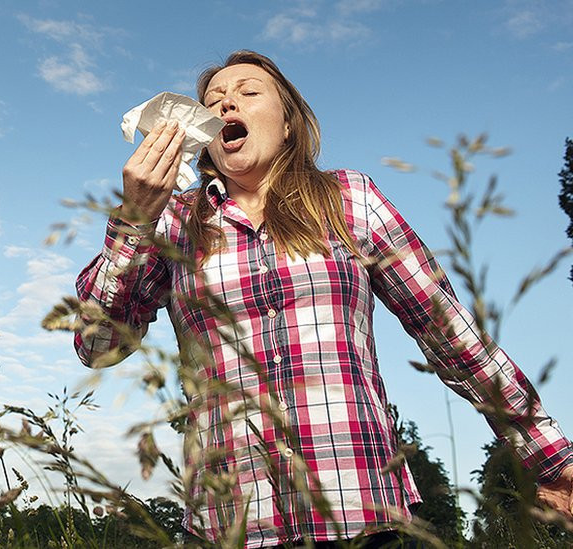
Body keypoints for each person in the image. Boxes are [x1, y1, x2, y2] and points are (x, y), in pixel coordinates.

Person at [74, 50, 573, 547]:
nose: (227, 105)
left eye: (248, 92)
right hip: (232, 522)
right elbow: (98, 346)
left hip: (358, 508)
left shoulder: (349, 199)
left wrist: (547, 455)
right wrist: (135, 218)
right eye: (214, 100)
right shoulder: (174, 222)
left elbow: (448, 331)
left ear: (288, 123)